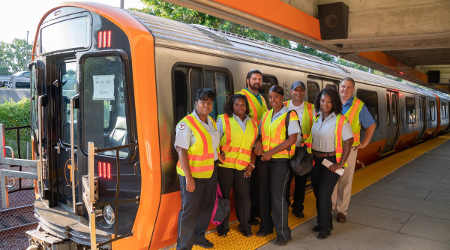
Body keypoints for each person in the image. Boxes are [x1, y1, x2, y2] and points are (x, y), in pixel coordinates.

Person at [174, 88, 219, 250]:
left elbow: (212, 147)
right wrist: (189, 178)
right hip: (192, 174)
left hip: (210, 172)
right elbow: (181, 150)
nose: (206, 105)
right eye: (203, 102)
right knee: (189, 211)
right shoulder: (186, 124)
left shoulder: (212, 122)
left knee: (206, 207)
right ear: (196, 103)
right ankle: (183, 246)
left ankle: (199, 236)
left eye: (209, 102)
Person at [255, 85, 300, 245]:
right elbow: (261, 134)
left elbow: (292, 139)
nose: (273, 100)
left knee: (277, 197)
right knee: (264, 195)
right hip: (265, 161)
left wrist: (270, 152)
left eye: (276, 97)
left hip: (280, 162)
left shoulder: (290, 115)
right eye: (270, 97)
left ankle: (283, 233)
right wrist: (259, 144)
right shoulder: (266, 115)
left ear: (282, 98)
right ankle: (266, 227)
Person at [308, 87, 353, 239]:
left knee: (324, 193)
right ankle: (324, 221)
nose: (325, 104)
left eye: (329, 101)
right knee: (318, 193)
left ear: (334, 103)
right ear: (318, 101)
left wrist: (340, 164)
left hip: (331, 161)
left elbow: (349, 141)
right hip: (317, 160)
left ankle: (325, 228)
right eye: (322, 101)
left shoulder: (341, 120)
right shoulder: (316, 117)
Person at [332, 77, 376, 223]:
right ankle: (330, 207)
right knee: (331, 179)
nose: (345, 89)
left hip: (349, 150)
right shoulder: (332, 102)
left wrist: (364, 143)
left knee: (345, 180)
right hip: (331, 149)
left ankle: (341, 211)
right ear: (339, 87)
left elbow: (371, 125)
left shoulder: (359, 106)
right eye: (343, 86)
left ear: (353, 89)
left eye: (349, 87)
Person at [216, 94, 258, 237]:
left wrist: (251, 165)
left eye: (243, 105)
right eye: (237, 105)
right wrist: (218, 155)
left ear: (246, 107)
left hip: (243, 167)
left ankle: (245, 226)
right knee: (224, 198)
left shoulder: (253, 123)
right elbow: (214, 142)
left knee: (244, 197)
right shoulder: (223, 120)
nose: (240, 107)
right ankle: (223, 228)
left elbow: (254, 148)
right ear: (231, 106)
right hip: (225, 166)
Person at [237, 69, 268, 225]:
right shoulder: (242, 96)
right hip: (248, 145)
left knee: (257, 183)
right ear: (247, 80)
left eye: (259, 79)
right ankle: (247, 216)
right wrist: (256, 140)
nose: (257, 81)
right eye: (254, 78)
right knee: (246, 183)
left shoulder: (262, 98)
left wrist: (261, 140)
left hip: (259, 145)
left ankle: (255, 212)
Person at [284, 81, 315, 218]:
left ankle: (298, 207)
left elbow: (316, 127)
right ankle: (284, 205)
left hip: (303, 150)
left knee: (301, 181)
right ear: (291, 92)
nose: (298, 92)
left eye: (301, 90)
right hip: (285, 150)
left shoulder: (311, 108)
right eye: (295, 89)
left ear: (304, 92)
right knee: (285, 180)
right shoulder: (284, 106)